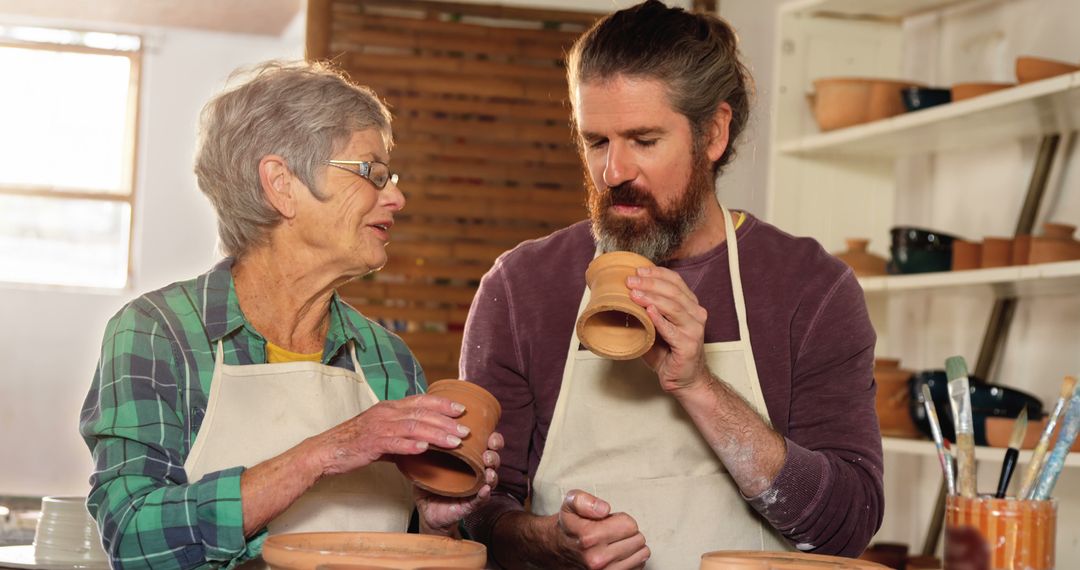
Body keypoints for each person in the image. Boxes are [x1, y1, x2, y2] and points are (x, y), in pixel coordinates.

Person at [459, 2, 883, 568]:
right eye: (596, 142)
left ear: (713, 133)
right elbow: (475, 513)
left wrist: (699, 386)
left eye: (643, 139)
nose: (614, 172)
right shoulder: (520, 287)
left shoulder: (810, 288)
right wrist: (548, 541)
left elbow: (846, 527)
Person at [79, 60, 502, 569]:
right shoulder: (157, 334)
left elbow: (399, 548)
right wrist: (322, 454)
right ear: (280, 184)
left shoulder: (387, 359)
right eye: (372, 173)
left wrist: (433, 523)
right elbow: (133, 538)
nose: (397, 197)